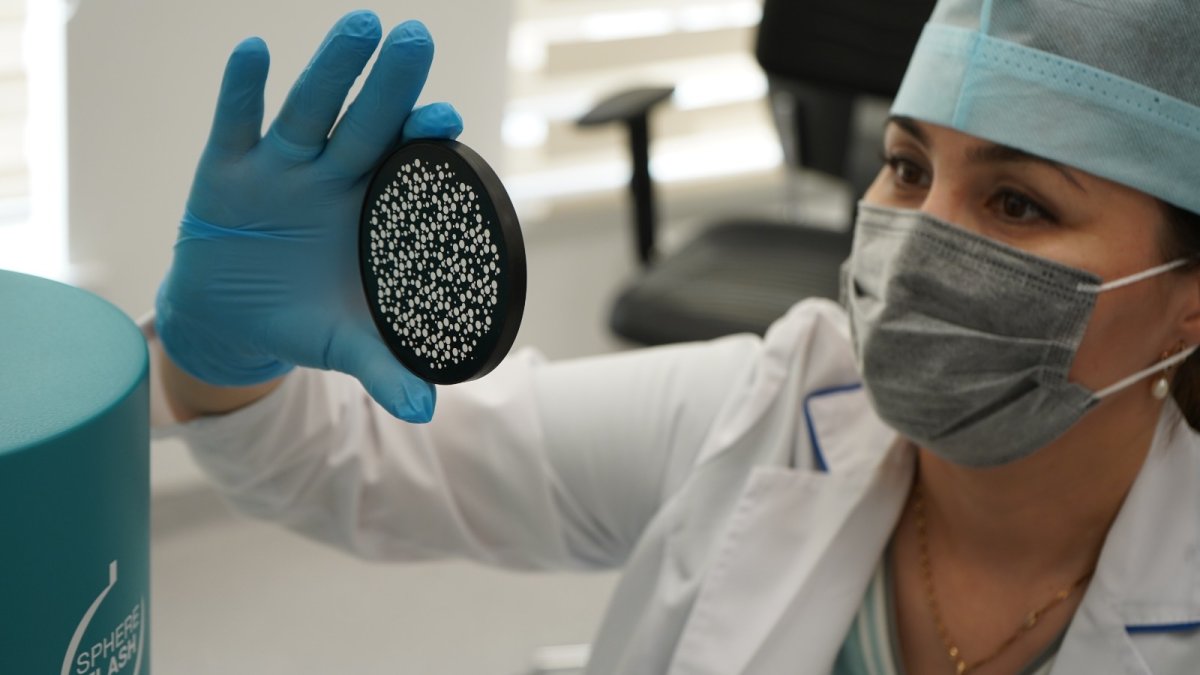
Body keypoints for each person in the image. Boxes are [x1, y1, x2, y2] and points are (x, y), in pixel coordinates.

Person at [150, 2, 1200, 673]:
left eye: (1018, 203)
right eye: (906, 167)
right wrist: (221, 357)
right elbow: (353, 462)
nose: (921, 243)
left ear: (1187, 301)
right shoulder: (770, 408)